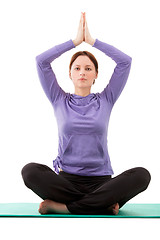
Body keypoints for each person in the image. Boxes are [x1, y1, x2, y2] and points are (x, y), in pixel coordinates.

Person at [21, 12, 151, 215]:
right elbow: (41, 62)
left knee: (142, 175)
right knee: (29, 171)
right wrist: (74, 42)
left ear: (96, 75)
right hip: (66, 182)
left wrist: (92, 42)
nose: (83, 72)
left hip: (101, 182)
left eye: (88, 68)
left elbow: (125, 62)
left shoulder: (106, 99)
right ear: (70, 73)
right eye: (77, 68)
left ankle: (64, 207)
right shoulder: (59, 99)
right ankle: (100, 206)